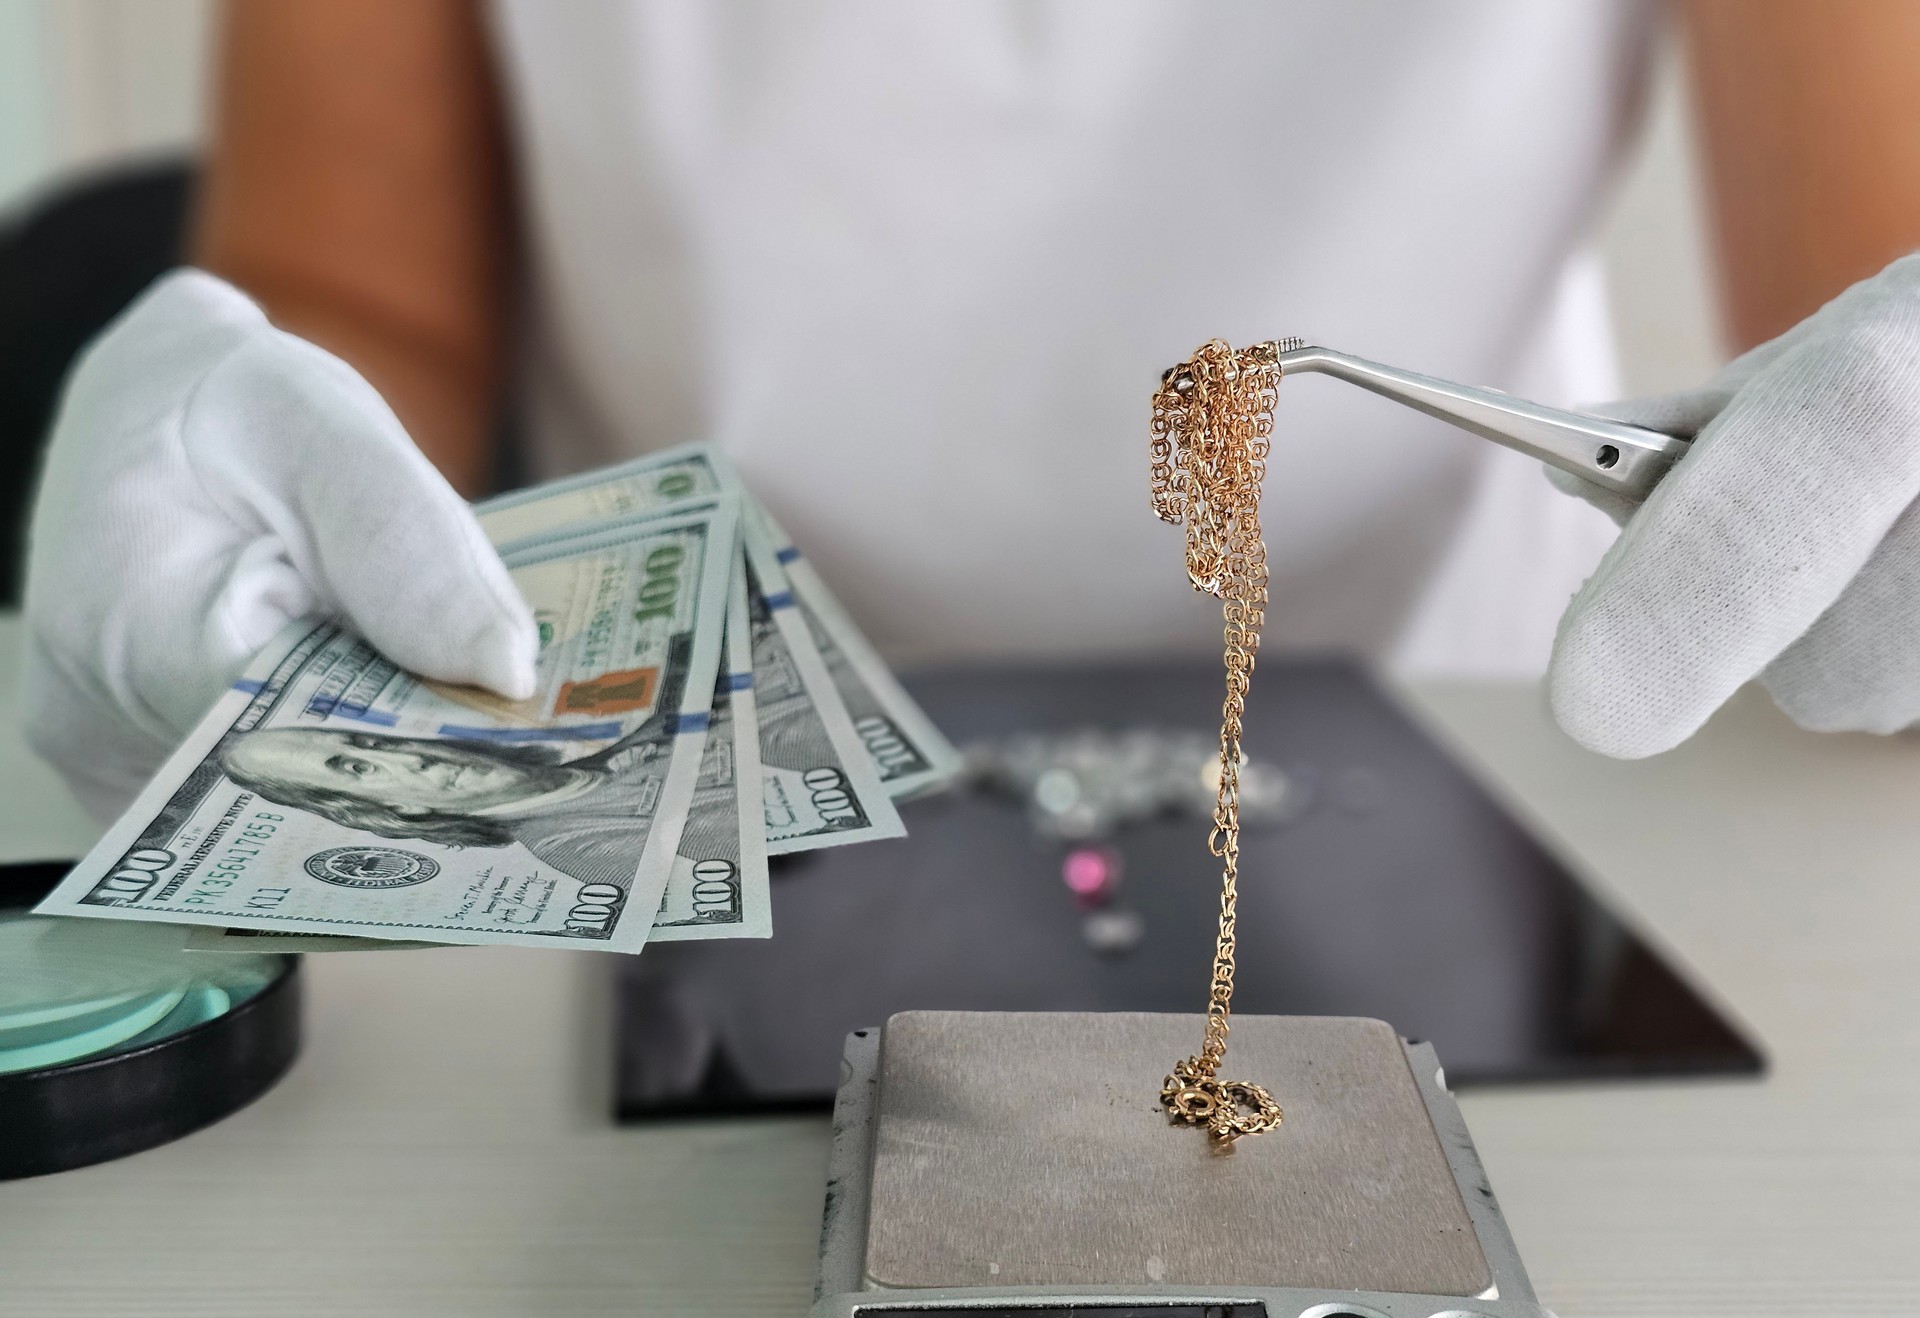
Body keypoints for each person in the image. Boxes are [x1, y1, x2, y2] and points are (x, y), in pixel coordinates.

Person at [21, 1, 1920, 817]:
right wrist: (274, 490)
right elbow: (362, 308)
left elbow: (1862, 318)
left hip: (1501, 747)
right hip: (688, 774)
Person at [218, 724, 680, 888]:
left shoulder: (653, 731)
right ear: (396, 809)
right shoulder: (581, 847)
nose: (408, 756)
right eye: (358, 769)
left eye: (369, 742)